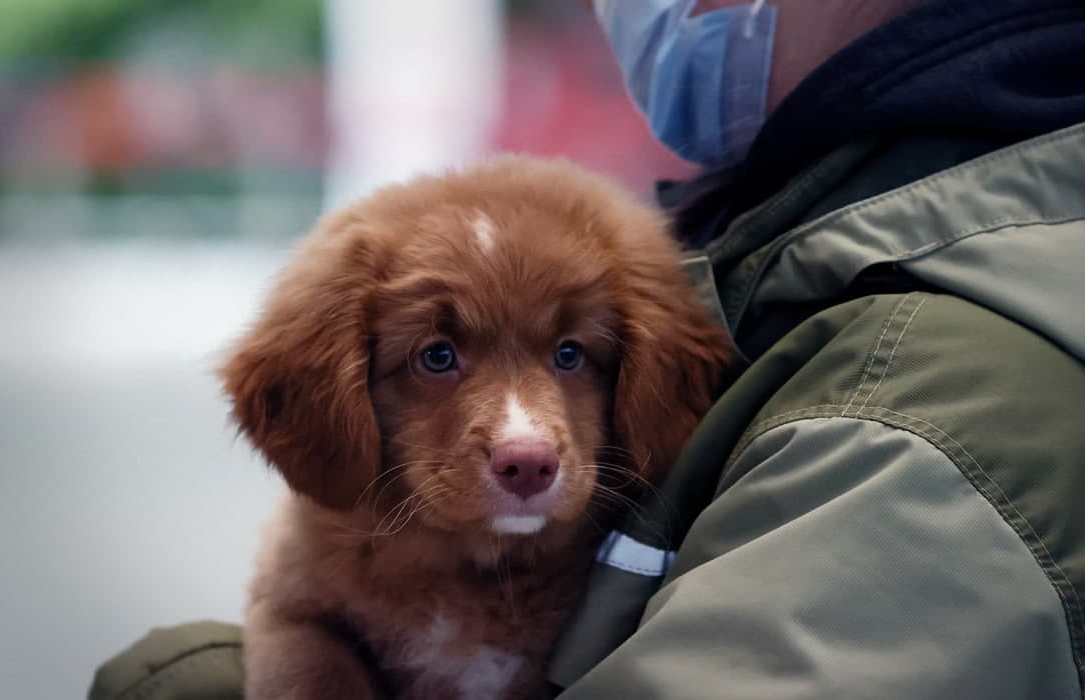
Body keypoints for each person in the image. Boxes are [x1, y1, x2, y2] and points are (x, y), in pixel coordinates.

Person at [90, 0, 1085, 697]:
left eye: (575, 356)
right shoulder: (803, 259)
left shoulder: (900, 424)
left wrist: (176, 683)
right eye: (436, 357)